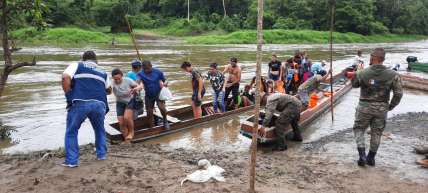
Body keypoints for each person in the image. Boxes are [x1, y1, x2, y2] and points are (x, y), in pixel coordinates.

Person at [351, 48, 403, 167]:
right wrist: (391, 106)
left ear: (373, 58)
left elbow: (354, 85)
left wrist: (356, 73)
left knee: (359, 129)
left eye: (370, 57)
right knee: (377, 132)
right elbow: (399, 94)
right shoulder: (393, 74)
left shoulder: (363, 72)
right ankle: (371, 158)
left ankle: (362, 155)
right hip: (382, 108)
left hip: (364, 106)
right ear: (383, 59)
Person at [62, 51, 111, 168]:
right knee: (99, 130)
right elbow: (109, 90)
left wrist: (69, 96)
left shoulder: (77, 65)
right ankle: (101, 155)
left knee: (71, 131)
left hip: (80, 101)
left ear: (83, 59)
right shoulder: (103, 72)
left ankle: (72, 161)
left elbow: (65, 78)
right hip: (100, 104)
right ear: (96, 60)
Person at [111, 68, 142, 144]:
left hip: (129, 101)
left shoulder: (127, 80)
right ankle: (127, 140)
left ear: (122, 76)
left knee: (127, 118)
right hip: (119, 102)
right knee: (121, 122)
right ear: (113, 78)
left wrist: (136, 89)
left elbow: (140, 86)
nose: (117, 81)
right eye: (115, 79)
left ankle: (131, 132)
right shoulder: (112, 83)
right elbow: (108, 89)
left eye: (119, 79)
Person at [137, 60, 169, 129]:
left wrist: (165, 84)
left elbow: (165, 80)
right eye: (144, 69)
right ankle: (152, 126)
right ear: (142, 68)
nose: (146, 70)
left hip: (159, 94)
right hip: (148, 95)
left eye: (148, 68)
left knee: (162, 108)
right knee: (149, 112)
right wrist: (138, 86)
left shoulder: (158, 72)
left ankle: (165, 120)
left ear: (151, 66)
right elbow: (139, 82)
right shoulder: (140, 74)